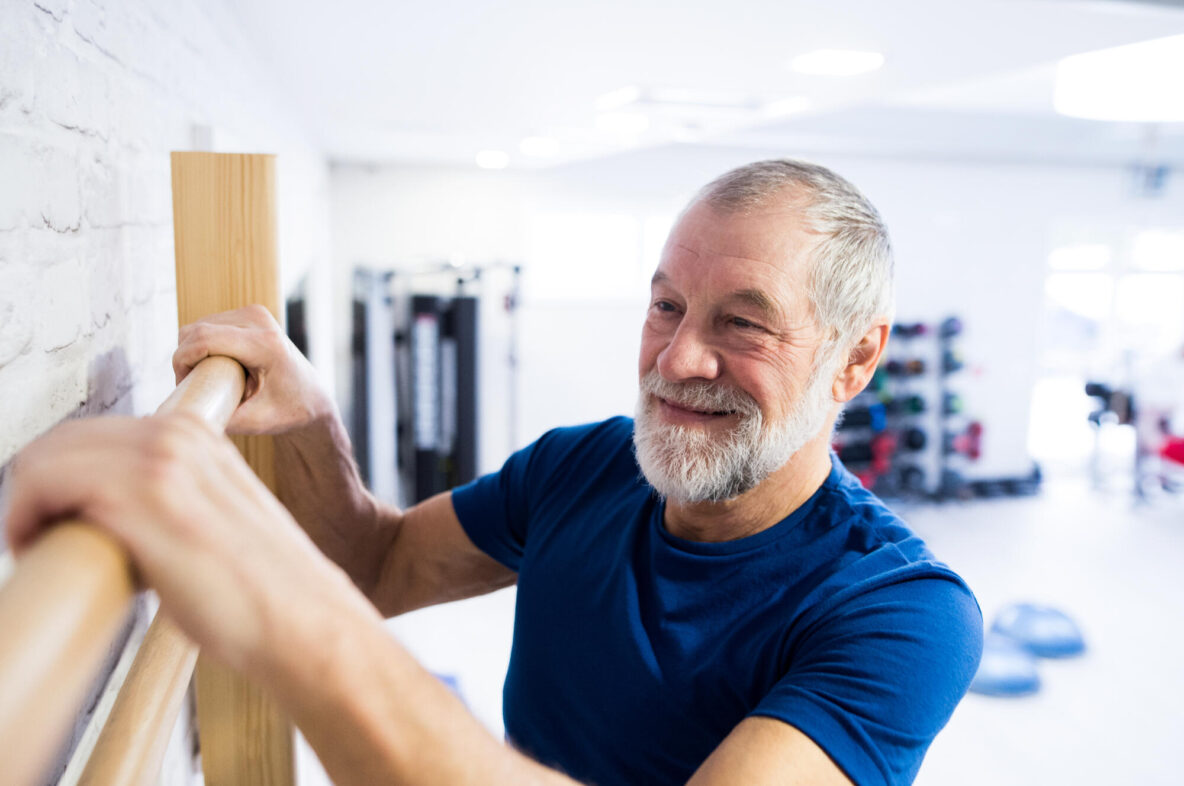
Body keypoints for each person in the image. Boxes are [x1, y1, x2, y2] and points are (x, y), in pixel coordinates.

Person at [6, 159, 982, 785]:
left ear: (853, 360)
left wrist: (269, 591)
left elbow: (326, 599)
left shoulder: (903, 616)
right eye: (665, 306)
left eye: (741, 323)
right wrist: (308, 418)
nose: (678, 359)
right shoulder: (586, 467)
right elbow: (376, 569)